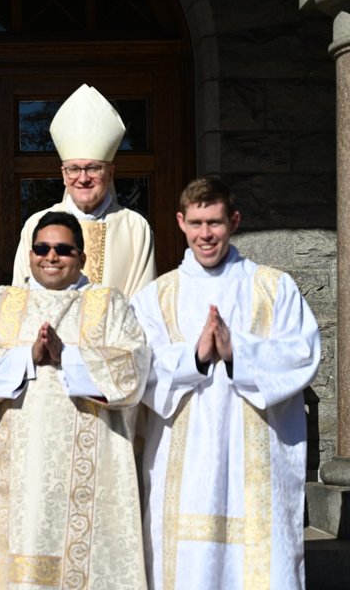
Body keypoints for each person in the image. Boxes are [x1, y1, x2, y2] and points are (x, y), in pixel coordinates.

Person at [131, 177, 321, 590]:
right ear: (180, 222)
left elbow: (302, 353)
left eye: (214, 222)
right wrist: (196, 357)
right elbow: (137, 369)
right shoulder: (156, 297)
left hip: (256, 461)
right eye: (196, 223)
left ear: (234, 221)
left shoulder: (274, 288)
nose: (205, 234)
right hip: (185, 462)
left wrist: (237, 353)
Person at [0, 211, 151, 589]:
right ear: (30, 255)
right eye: (42, 248)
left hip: (93, 470)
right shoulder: (1, 302)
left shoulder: (109, 303)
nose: (51, 257)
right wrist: (28, 356)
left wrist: (68, 358)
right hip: (15, 471)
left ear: (82, 257)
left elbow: (133, 366)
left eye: (63, 249)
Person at [12, 83, 155, 297]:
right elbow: (22, 296)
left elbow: (143, 301)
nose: (83, 178)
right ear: (63, 174)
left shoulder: (135, 227)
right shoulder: (36, 224)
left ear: (110, 173)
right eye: (74, 169)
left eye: (93, 168)